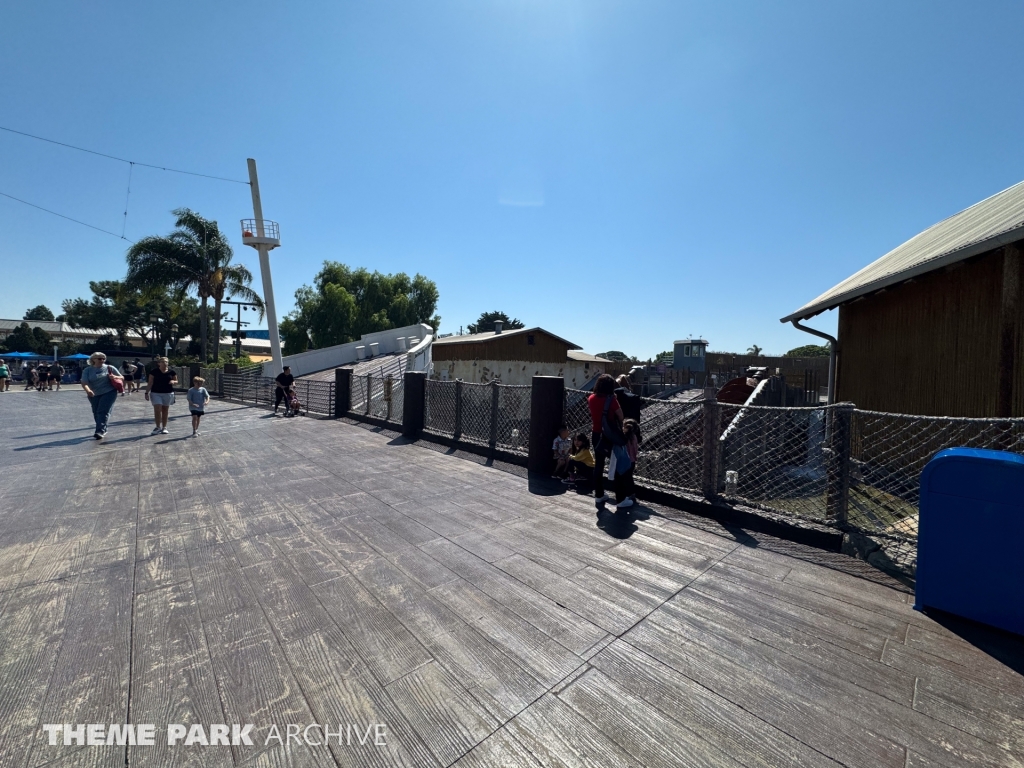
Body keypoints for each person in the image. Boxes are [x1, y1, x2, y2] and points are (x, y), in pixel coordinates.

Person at [588, 374, 625, 507]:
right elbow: (621, 416)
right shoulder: (611, 400)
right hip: (609, 436)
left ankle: (599, 495)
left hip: (596, 435)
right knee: (617, 463)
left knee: (599, 464)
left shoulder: (591, 398)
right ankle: (621, 498)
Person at [80, 352, 124, 439]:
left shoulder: (109, 368)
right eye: (99, 358)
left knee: (102, 411)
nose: (102, 360)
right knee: (96, 412)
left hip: (109, 392)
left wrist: (114, 377)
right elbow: (84, 383)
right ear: (93, 359)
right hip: (93, 393)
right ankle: (103, 428)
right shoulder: (87, 370)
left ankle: (100, 431)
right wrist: (88, 391)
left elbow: (122, 377)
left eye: (103, 358)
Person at [146, 357, 178, 435]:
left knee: (165, 410)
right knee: (157, 408)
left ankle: (164, 427)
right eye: (163, 362)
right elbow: (150, 383)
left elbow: (176, 381)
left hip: (168, 393)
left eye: (166, 362)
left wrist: (173, 381)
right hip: (156, 393)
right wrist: (146, 392)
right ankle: (157, 427)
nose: (165, 363)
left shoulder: (172, 372)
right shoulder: (154, 372)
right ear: (159, 363)